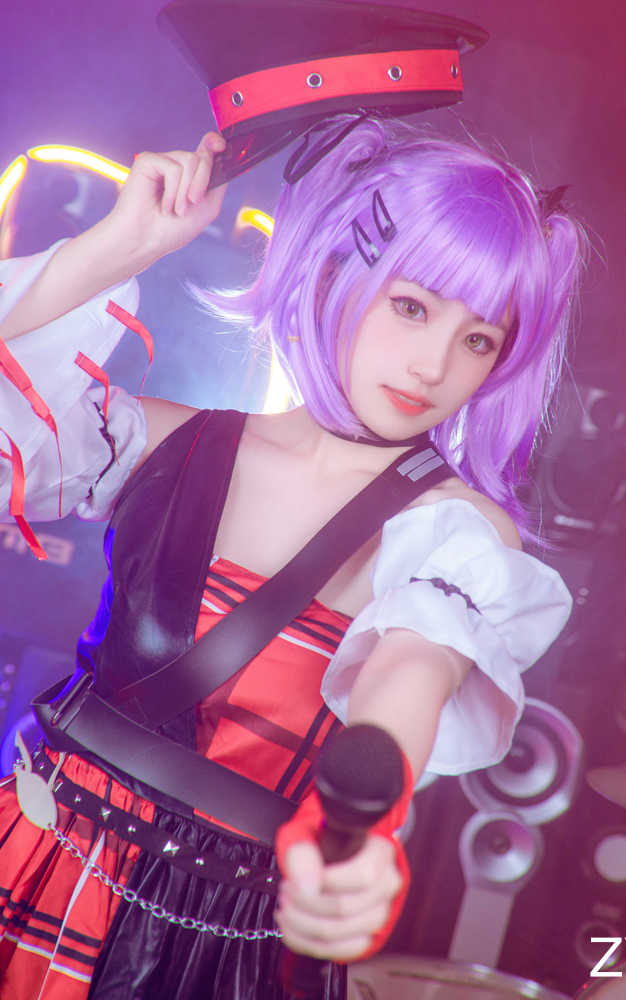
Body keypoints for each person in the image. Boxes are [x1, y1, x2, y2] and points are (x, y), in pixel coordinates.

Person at [0, 113, 584, 999]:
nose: (433, 366)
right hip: (32, 859)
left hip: (223, 949)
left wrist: (363, 835)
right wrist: (120, 246)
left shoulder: (456, 533)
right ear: (339, 273)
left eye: (478, 339)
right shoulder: (166, 442)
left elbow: (409, 678)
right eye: (413, 306)